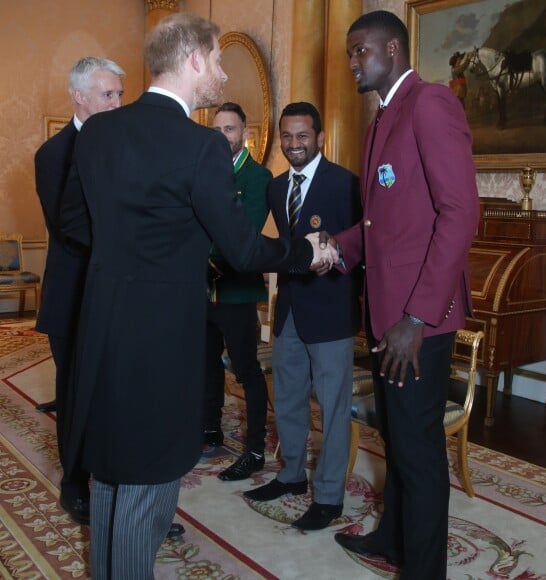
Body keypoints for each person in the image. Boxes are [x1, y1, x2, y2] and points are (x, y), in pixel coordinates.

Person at [57, 14, 330, 579]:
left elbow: (73, 222)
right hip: (160, 341)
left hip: (102, 329)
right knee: (147, 482)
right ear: (194, 60)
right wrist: (306, 252)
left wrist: (139, 253)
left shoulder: (99, 131)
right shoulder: (201, 144)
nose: (223, 73)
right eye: (218, 59)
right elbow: (246, 252)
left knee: (111, 474)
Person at [318, 11, 479, 579]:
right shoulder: (382, 121)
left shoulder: (431, 104)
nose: (354, 62)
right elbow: (378, 226)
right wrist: (331, 249)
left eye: (361, 51)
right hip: (387, 317)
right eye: (349, 53)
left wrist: (416, 316)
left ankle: (424, 568)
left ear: (393, 47)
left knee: (419, 452)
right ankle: (394, 536)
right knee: (398, 438)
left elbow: (460, 215)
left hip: (418, 324)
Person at [244, 102, 361, 531]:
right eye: (287, 137)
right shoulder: (276, 188)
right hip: (290, 308)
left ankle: (329, 497)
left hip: (331, 312)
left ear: (320, 137)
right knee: (288, 398)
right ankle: (292, 474)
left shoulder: (346, 185)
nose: (294, 144)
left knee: (332, 410)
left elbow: (363, 247)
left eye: (303, 136)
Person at [34, 56, 125, 526]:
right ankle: (74, 483)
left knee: (115, 393)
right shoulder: (54, 154)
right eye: (107, 94)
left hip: (120, 295)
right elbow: (69, 228)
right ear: (79, 95)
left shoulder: (127, 145)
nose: (116, 103)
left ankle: (116, 485)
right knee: (74, 395)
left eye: (119, 95)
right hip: (73, 295)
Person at [203, 101, 272, 481]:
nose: (223, 136)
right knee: (205, 364)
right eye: (218, 130)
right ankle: (210, 431)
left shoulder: (258, 177)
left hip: (237, 292)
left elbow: (244, 234)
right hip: (204, 291)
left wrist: (206, 246)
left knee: (247, 370)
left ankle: (255, 449)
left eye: (229, 129)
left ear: (245, 133)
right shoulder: (203, 173)